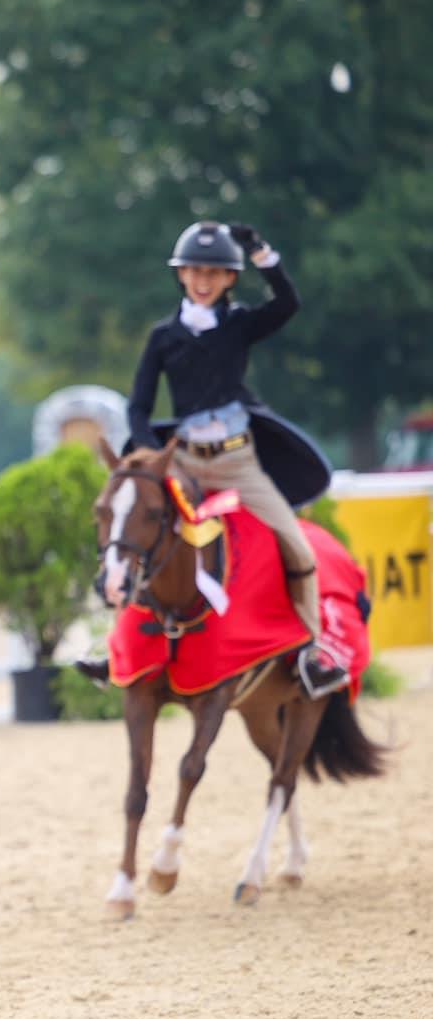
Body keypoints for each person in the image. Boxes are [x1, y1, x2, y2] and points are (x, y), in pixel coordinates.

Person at [92, 220, 345, 697]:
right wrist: (148, 451)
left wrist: (264, 256)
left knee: (298, 546)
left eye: (214, 272)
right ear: (181, 276)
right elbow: (138, 406)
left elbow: (288, 304)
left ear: (230, 279)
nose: (203, 280)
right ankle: (115, 651)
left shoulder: (240, 325)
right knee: (135, 538)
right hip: (183, 462)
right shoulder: (162, 336)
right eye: (193, 271)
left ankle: (313, 651)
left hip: (237, 464)